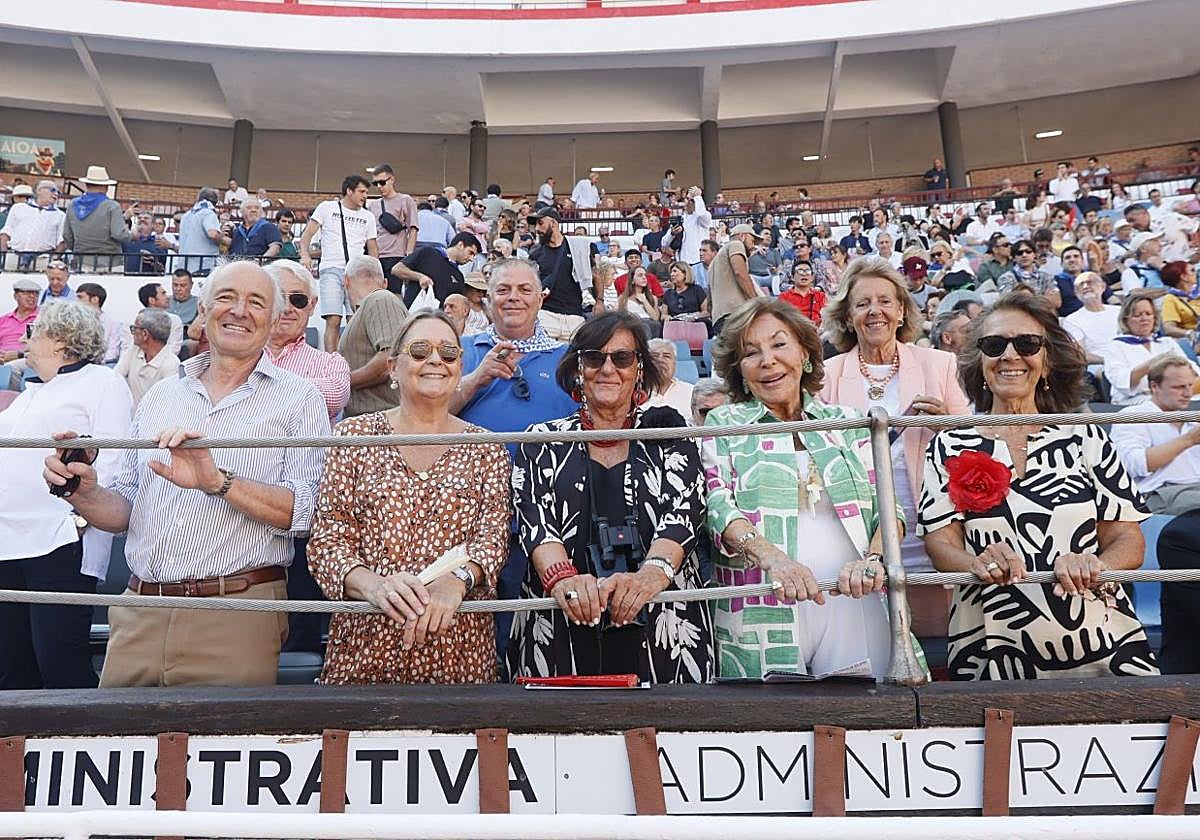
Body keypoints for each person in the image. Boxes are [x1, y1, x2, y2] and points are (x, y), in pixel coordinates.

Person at [44, 261, 330, 687]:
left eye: (255, 302)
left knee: (220, 750)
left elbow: (309, 513)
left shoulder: (300, 398)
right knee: (122, 748)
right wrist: (83, 492)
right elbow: (126, 509)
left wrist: (219, 482)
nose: (239, 311)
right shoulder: (161, 395)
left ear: (272, 321)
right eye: (226, 298)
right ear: (203, 309)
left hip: (236, 616)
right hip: (138, 611)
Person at [919, 293, 1159, 680]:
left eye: (1027, 344)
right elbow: (940, 543)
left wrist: (1097, 564)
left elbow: (1128, 539)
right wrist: (975, 562)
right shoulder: (948, 444)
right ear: (980, 362)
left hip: (1103, 645)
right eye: (994, 345)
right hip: (991, 647)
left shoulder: (1085, 435)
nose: (1010, 355)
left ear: (1047, 361)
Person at [702, 297, 912, 679]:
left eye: (779, 344)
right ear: (739, 369)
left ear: (806, 353)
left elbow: (889, 509)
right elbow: (718, 506)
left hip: (856, 598)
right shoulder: (725, 421)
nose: (768, 360)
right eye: (751, 353)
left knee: (873, 722)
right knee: (773, 731)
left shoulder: (845, 421)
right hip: (761, 604)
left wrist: (875, 560)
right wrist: (773, 559)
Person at [508, 311, 714, 683]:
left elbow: (684, 514)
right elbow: (536, 524)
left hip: (664, 620)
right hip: (560, 620)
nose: (607, 368)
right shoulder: (541, 440)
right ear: (577, 368)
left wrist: (648, 578)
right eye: (593, 358)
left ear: (639, 369)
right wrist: (563, 580)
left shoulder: (667, 433)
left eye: (621, 358)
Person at [308, 311, 511, 684]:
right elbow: (327, 541)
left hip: (458, 650)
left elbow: (493, 539)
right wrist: (375, 586)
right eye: (419, 350)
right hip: (364, 646)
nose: (435, 360)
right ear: (392, 368)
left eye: (448, 353)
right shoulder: (353, 438)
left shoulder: (487, 448)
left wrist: (458, 580)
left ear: (459, 368)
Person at [820, 257, 970, 633]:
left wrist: (944, 428)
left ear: (902, 310)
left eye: (886, 301)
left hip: (931, 526)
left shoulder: (940, 364)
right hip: (860, 534)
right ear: (847, 316)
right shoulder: (828, 376)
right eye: (863, 303)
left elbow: (973, 445)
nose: (876, 311)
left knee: (938, 646)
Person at [0, 299, 132, 688]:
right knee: (10, 663)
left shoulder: (101, 381)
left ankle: (79, 743)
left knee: (57, 657)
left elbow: (116, 458)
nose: (26, 339)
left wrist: (82, 521)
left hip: (60, 542)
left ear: (61, 340)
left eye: (33, 331)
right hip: (7, 542)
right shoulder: (29, 394)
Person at [299, 175, 380, 353]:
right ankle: (331, 360)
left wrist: (375, 274)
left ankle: (355, 361)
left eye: (366, 192)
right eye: (362, 191)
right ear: (349, 191)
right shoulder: (327, 208)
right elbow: (307, 235)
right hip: (331, 269)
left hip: (357, 272)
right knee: (333, 319)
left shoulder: (368, 216)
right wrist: (305, 255)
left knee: (355, 321)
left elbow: (373, 247)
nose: (365, 195)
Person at [1112, 356, 1200, 515]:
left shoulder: (1193, 421)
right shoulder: (1134, 415)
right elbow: (1132, 465)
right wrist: (1188, 440)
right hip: (1159, 494)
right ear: (1154, 386)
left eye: (1190, 386)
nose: (1188, 393)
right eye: (1179, 387)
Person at [338, 255, 410, 418]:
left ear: (346, 281)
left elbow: (390, 360)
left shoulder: (381, 299)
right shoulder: (370, 306)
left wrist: (340, 382)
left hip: (381, 426)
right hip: (371, 424)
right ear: (385, 282)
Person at [1103, 294, 1199, 406]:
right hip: (1134, 401)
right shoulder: (1116, 346)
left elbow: (1193, 371)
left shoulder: (1166, 342)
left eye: (1148, 314)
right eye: (1137, 315)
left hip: (1174, 395)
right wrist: (1156, 362)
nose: (1144, 318)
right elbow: (1121, 381)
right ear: (1126, 320)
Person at [62, 166, 134, 274]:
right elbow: (119, 234)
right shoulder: (112, 206)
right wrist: (133, 235)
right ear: (105, 186)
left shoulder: (73, 204)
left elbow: (67, 235)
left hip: (80, 260)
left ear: (86, 185)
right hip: (110, 262)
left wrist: (77, 249)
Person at [389, 232, 481, 308]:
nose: (471, 259)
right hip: (413, 316)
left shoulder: (459, 277)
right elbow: (397, 269)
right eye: (470, 252)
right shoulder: (428, 253)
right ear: (460, 245)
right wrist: (419, 277)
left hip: (438, 324)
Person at [116, 308, 180, 406]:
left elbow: (168, 403)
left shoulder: (171, 364)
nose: (132, 333)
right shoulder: (134, 350)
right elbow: (116, 376)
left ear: (145, 334)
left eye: (134, 329)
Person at [709, 224, 765, 332]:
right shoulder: (736, 244)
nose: (753, 246)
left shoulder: (714, 264)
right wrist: (755, 302)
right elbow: (740, 273)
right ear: (742, 236)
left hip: (719, 318)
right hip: (736, 313)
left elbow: (709, 298)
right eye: (752, 241)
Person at [369, 164, 419, 280]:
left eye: (382, 182)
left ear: (391, 179)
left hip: (397, 255)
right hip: (376, 256)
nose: (379, 186)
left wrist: (409, 254)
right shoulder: (373, 205)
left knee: (395, 294)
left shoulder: (405, 200)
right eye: (375, 183)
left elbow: (413, 228)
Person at [1062, 272, 1119, 364]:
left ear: (1103, 287)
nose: (1085, 286)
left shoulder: (1119, 312)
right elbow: (1081, 354)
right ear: (1076, 293)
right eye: (1081, 284)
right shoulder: (1072, 320)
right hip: (1099, 365)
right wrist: (1110, 361)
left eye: (1090, 282)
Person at [176, 187, 227, 276]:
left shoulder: (186, 215)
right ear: (215, 202)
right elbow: (213, 234)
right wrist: (222, 237)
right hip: (202, 265)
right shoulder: (208, 213)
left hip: (184, 264)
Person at [74, 282, 130, 365]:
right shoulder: (74, 321)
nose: (76, 301)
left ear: (95, 299)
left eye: (80, 297)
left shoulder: (113, 323)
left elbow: (113, 352)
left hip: (102, 365)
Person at [0, 277, 39, 390]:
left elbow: (34, 346)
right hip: (3, 358)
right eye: (26, 293)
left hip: (25, 358)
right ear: (15, 296)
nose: (32, 296)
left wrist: (18, 354)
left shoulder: (39, 319)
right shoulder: (4, 320)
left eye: (35, 294)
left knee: (9, 369)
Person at [646, 338, 694, 419]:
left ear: (675, 364)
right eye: (654, 356)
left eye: (666, 356)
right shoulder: (633, 392)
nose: (660, 360)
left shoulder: (691, 392)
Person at [137, 282, 184, 356]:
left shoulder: (174, 320)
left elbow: (174, 349)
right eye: (163, 293)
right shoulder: (136, 321)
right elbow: (129, 349)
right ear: (151, 300)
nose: (168, 297)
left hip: (166, 363)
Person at [1159, 262, 1200, 340]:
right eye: (1192, 270)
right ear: (1184, 277)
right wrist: (1189, 333)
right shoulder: (1170, 298)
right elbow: (1168, 328)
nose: (1196, 272)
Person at [778, 260, 825, 324]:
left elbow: (826, 318)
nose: (804, 274)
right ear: (792, 277)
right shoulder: (784, 297)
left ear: (812, 277)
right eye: (800, 271)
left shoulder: (820, 296)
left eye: (807, 271)